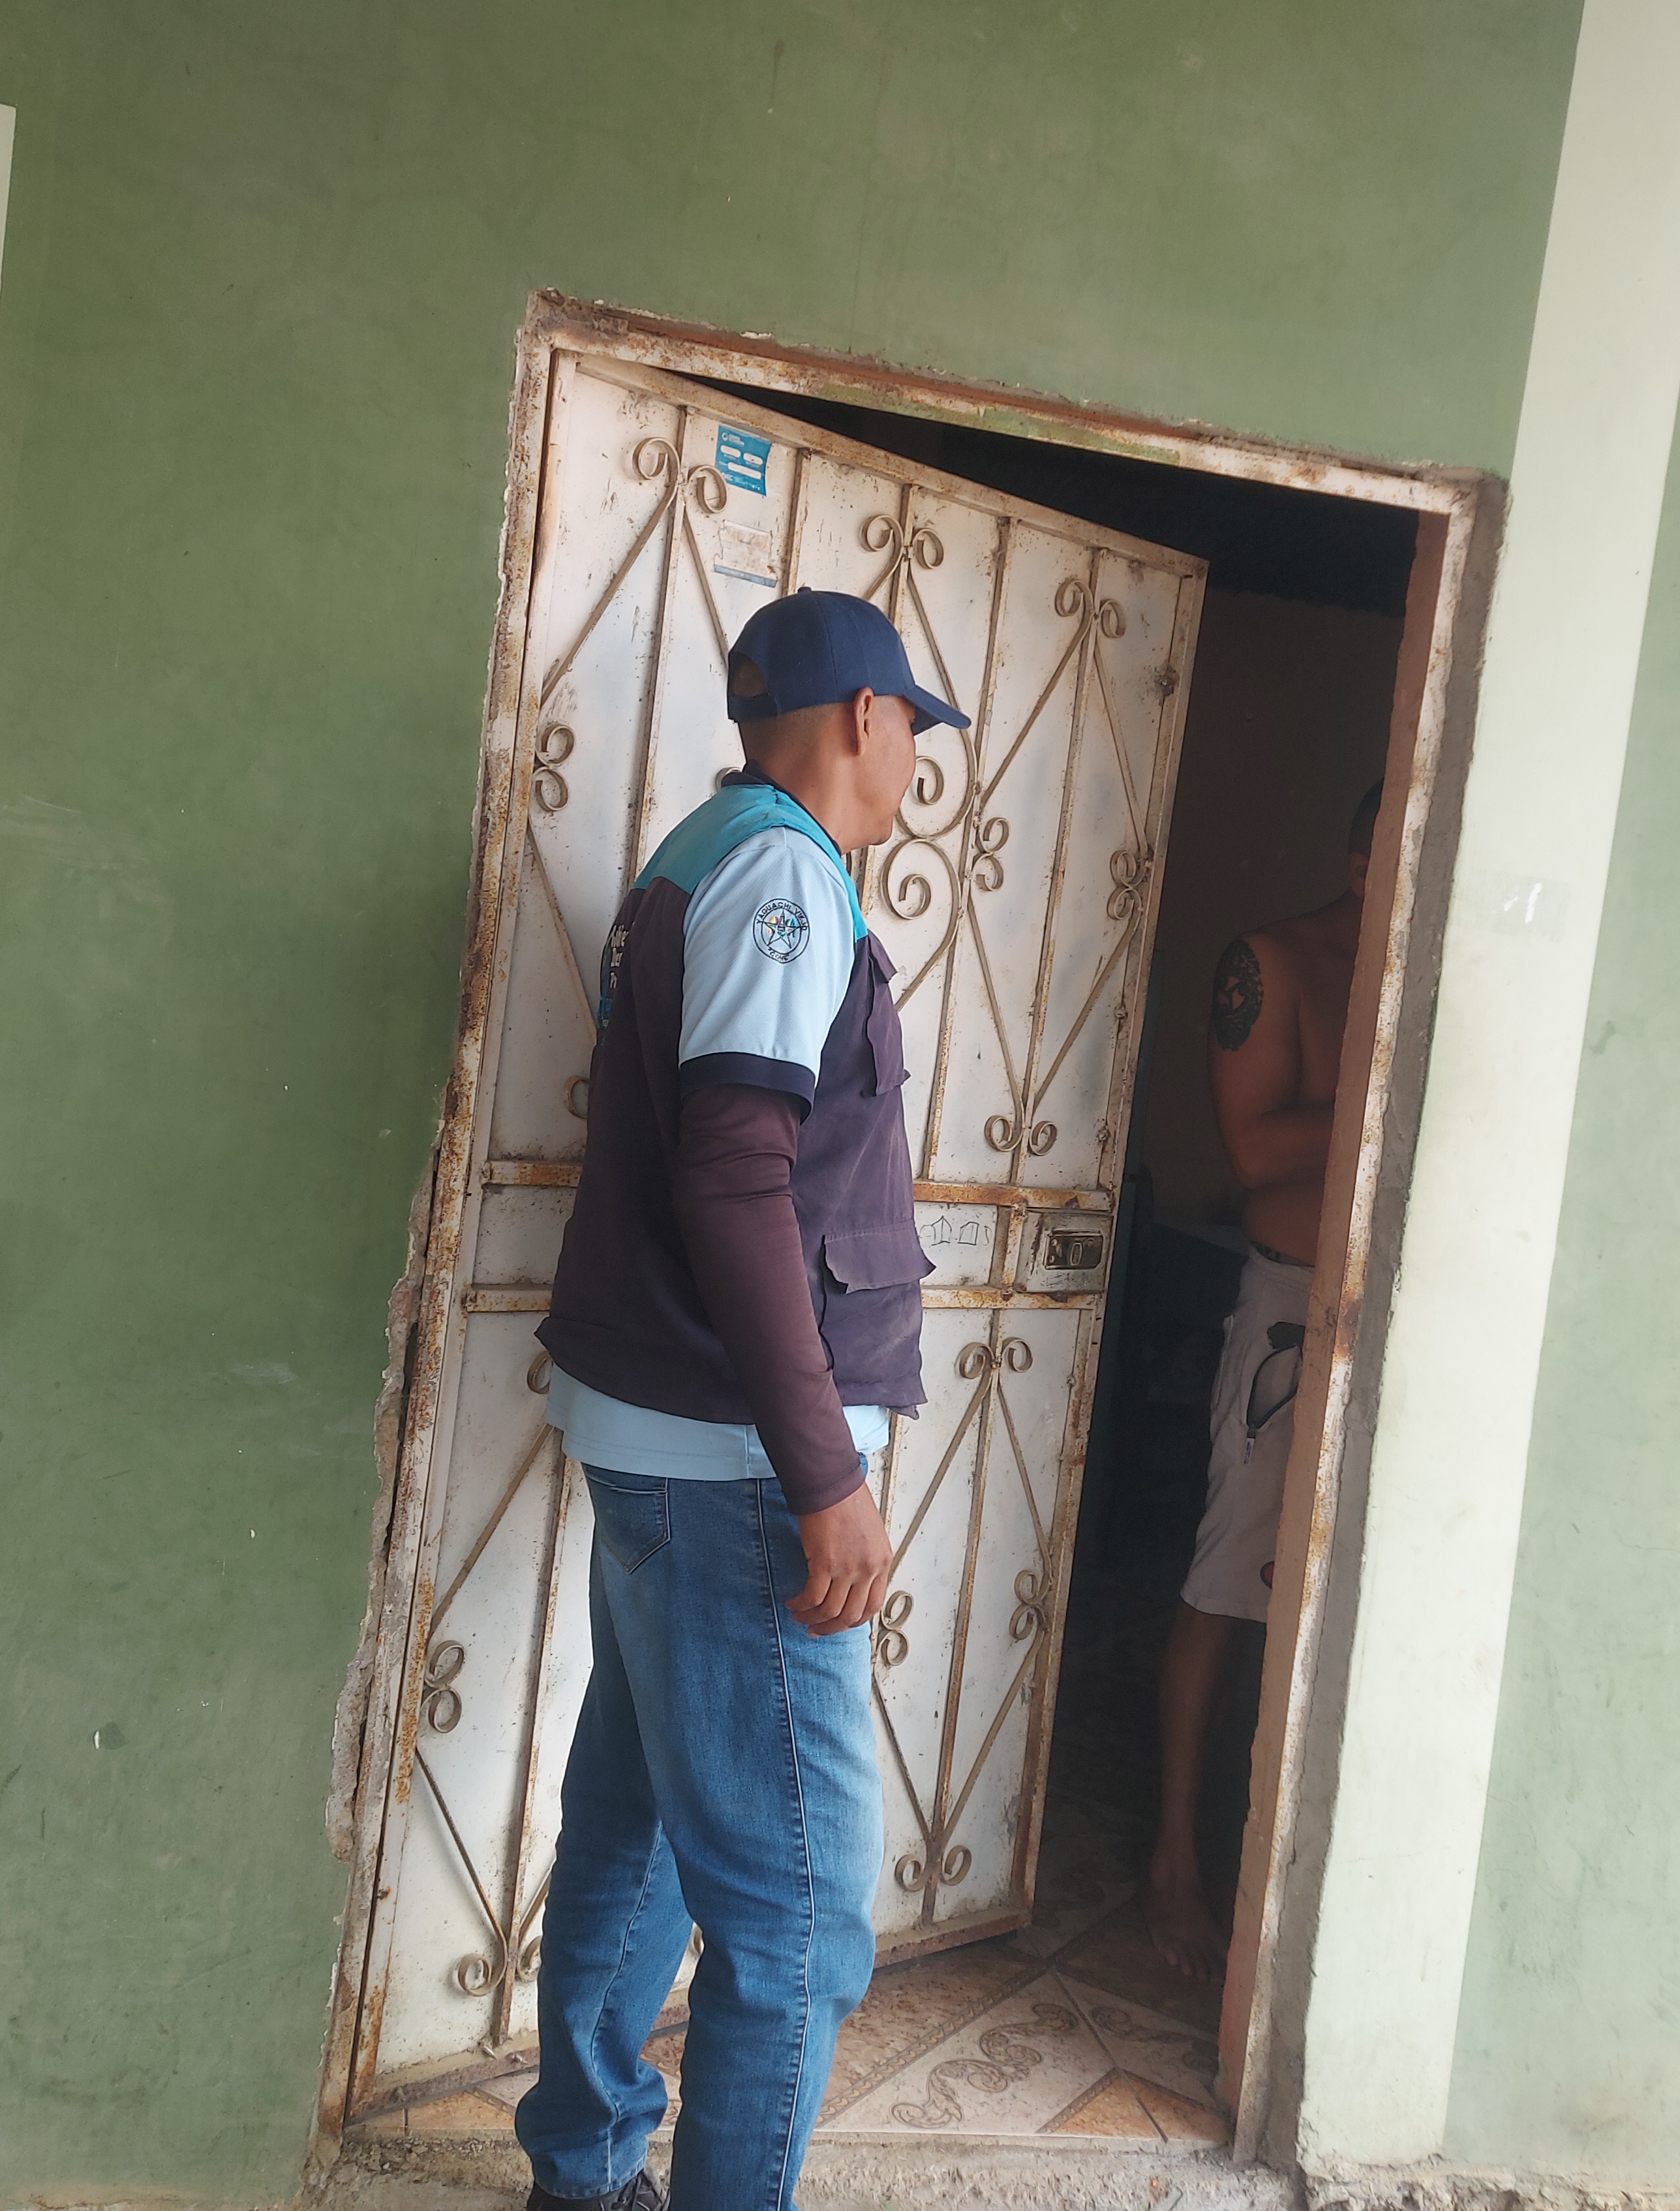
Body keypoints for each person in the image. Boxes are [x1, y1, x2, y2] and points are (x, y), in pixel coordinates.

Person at [517, 588, 967, 2211]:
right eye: (911, 724)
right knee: (794, 1920)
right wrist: (822, 1476)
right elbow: (734, 1177)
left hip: (667, 1448)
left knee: (633, 1822)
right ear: (863, 717)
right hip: (734, 1469)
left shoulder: (702, 852)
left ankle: (582, 2173)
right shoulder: (782, 873)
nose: (913, 757)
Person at [1144, 780, 1379, 1979]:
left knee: (1350, 1596)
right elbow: (1254, 1151)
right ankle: (1173, 1867)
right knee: (1227, 1578)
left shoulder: (1437, 974)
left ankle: (1286, 1879)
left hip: (1397, 1310)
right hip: (1292, 1300)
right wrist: (1387, 1087)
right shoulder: (1276, 964)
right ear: (1357, 853)